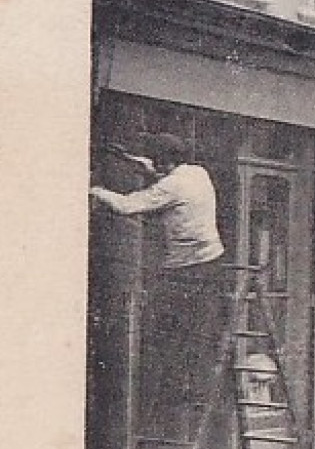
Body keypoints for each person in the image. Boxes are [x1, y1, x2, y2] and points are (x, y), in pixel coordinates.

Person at [89, 133, 226, 429]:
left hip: (189, 269)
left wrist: (95, 190)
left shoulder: (171, 185)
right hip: (211, 261)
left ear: (167, 161)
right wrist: (134, 162)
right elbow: (160, 172)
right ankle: (186, 388)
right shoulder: (197, 173)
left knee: (167, 330)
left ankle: (176, 396)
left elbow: (127, 206)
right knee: (198, 333)